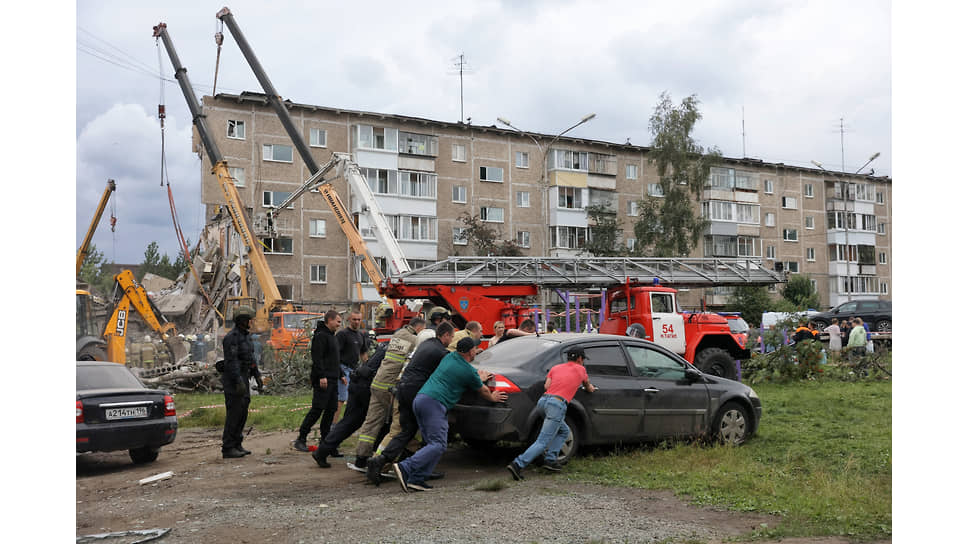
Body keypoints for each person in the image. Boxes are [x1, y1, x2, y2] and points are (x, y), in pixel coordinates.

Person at [392, 336, 508, 492]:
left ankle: (417, 479)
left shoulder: (450, 357)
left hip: (421, 400)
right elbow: (483, 390)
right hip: (434, 404)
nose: (477, 350)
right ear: (470, 351)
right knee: (438, 444)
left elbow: (466, 374)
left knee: (430, 442)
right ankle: (405, 467)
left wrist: (476, 376)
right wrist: (493, 397)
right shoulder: (467, 371)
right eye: (475, 348)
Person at [366, 321, 454, 486]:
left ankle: (379, 461)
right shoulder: (440, 351)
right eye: (451, 337)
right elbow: (452, 368)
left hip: (403, 390)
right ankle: (420, 469)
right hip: (416, 392)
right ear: (446, 335)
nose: (451, 340)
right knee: (428, 430)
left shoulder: (426, 345)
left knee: (407, 431)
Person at [507, 347, 595, 480]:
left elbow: (547, 386)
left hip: (543, 402)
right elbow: (588, 386)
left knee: (563, 431)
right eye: (583, 360)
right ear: (579, 359)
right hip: (557, 405)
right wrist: (590, 388)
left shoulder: (556, 367)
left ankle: (550, 460)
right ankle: (518, 464)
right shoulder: (581, 370)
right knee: (542, 441)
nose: (583, 362)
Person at [353, 317, 425, 474]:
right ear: (419, 329)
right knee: (399, 426)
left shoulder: (398, 334)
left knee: (372, 421)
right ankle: (408, 453)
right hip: (389, 387)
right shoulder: (414, 339)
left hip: (377, 383)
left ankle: (361, 457)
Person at [313, 340, 388, 468]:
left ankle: (324, 450)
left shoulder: (388, 345)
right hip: (365, 386)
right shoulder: (404, 348)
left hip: (357, 382)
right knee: (377, 422)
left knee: (349, 422)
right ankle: (368, 457)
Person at [292, 310, 342, 453]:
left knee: (331, 410)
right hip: (323, 380)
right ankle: (301, 438)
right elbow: (317, 358)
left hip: (333, 378)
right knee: (317, 409)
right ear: (330, 320)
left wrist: (341, 374)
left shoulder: (332, 336)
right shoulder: (320, 336)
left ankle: (326, 443)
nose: (339, 324)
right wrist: (321, 376)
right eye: (338, 321)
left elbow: (334, 359)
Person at [221, 308, 256, 459]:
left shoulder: (246, 337)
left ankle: (237, 443)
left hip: (244, 377)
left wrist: (257, 375)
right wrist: (237, 380)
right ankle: (228, 447)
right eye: (250, 320)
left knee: (242, 413)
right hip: (233, 380)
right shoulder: (232, 338)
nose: (252, 322)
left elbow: (250, 357)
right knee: (234, 414)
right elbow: (232, 361)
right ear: (243, 321)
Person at [336, 310, 367, 426]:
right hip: (343, 369)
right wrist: (341, 374)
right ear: (349, 319)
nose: (357, 322)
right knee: (341, 398)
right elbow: (335, 355)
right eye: (354, 319)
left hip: (355, 371)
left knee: (353, 399)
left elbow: (363, 353)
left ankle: (346, 423)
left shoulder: (361, 335)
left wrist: (368, 367)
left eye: (359, 319)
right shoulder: (342, 334)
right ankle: (333, 426)